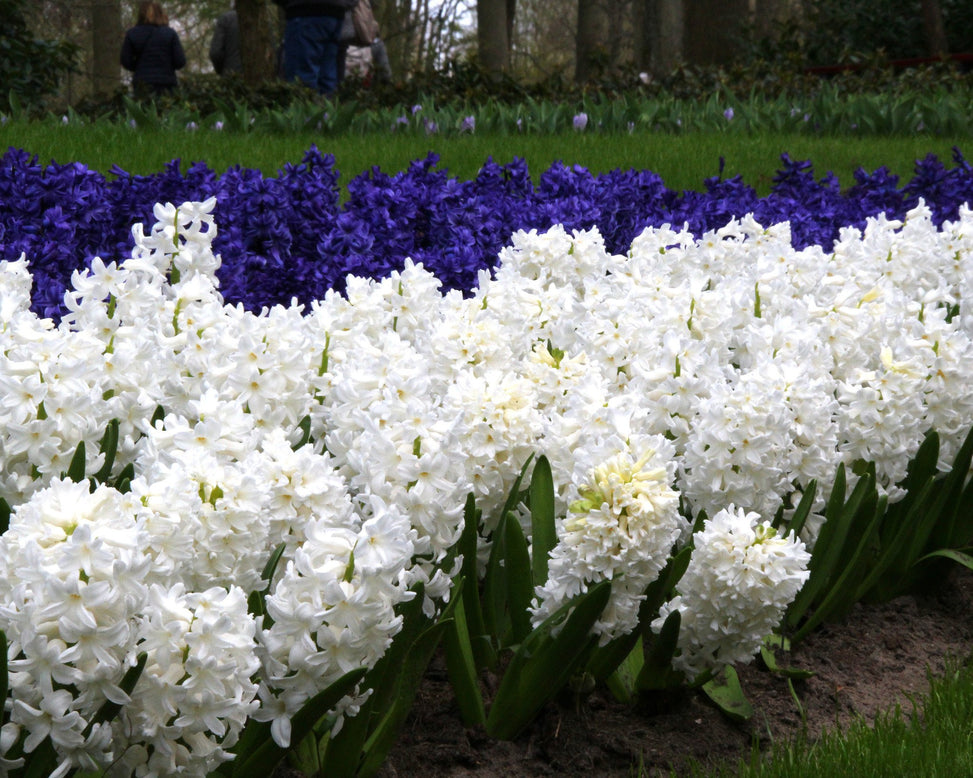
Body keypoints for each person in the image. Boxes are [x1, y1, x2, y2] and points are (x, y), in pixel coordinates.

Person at [273, 0, 359, 97]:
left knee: (302, 77)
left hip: (306, 12)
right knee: (327, 75)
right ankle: (325, 108)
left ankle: (306, 107)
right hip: (335, 14)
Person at [120, 2, 186, 98]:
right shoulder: (170, 34)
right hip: (166, 82)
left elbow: (126, 61)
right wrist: (166, 65)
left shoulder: (132, 34)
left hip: (142, 83)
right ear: (160, 13)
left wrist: (139, 66)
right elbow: (180, 61)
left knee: (143, 110)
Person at [210, 5, 242, 76]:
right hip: (260, 78)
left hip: (232, 76)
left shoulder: (226, 19)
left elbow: (215, 53)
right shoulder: (263, 21)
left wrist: (222, 70)